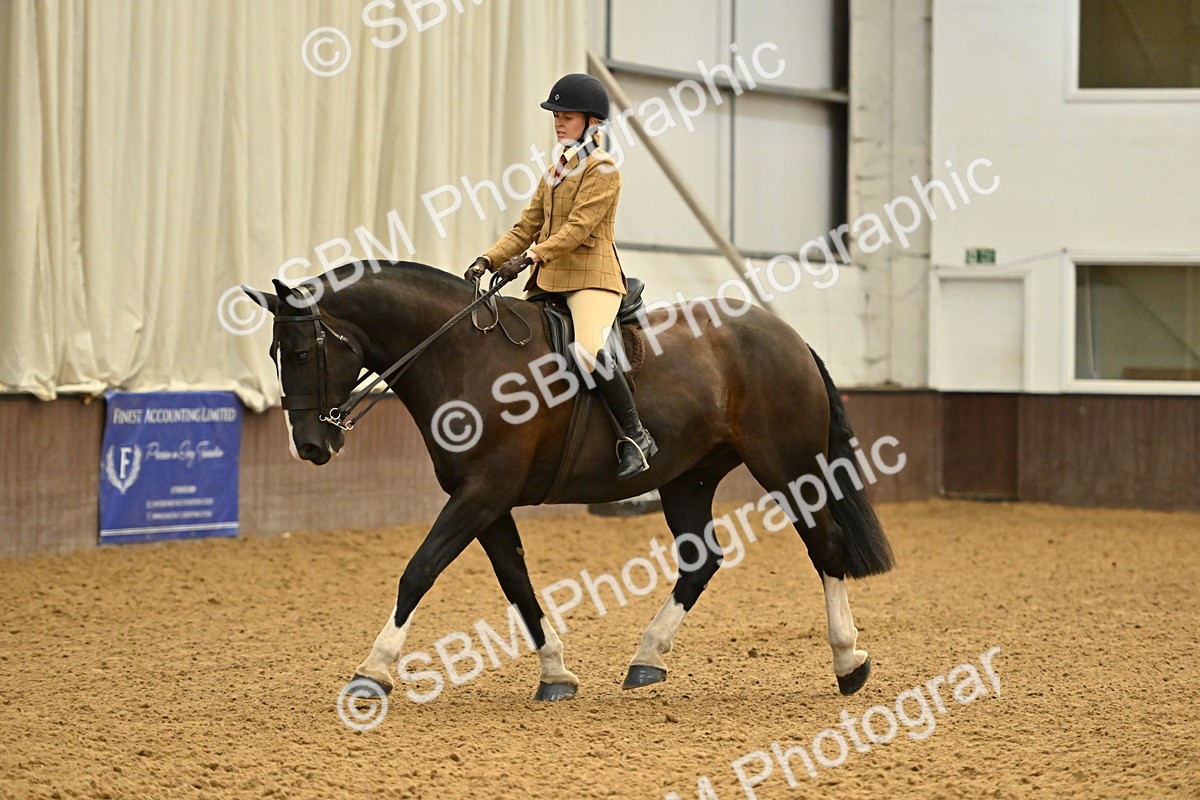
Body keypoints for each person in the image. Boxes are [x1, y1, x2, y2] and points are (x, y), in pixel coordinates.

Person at [464, 73, 656, 480]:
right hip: (551, 280)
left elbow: (578, 229)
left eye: (567, 116)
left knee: (587, 351)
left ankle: (637, 437)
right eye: (557, 116)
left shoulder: (604, 170)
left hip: (593, 279)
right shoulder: (554, 170)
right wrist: (489, 258)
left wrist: (531, 258)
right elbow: (526, 225)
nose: (558, 123)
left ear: (592, 122)